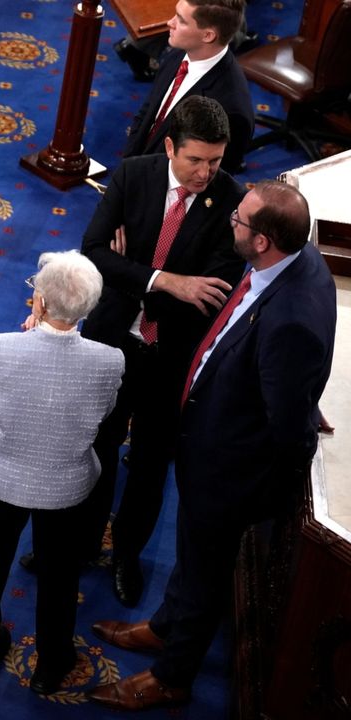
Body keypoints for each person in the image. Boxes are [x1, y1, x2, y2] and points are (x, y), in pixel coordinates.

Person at [89, 180, 336, 711]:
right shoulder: (296, 258)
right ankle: (165, 625)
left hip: (229, 471)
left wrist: (259, 483)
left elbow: (290, 428)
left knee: (205, 570)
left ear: (265, 240)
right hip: (211, 445)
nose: (231, 223)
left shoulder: (291, 315)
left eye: (240, 221)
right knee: (192, 558)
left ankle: (172, 676)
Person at [58, 95, 245, 610]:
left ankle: (126, 557)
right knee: (96, 446)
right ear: (169, 147)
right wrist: (168, 281)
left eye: (215, 160)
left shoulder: (233, 201)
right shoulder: (132, 175)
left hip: (172, 357)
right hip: (112, 341)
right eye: (195, 160)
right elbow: (92, 251)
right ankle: (80, 543)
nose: (207, 172)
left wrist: (133, 270)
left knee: (149, 465)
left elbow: (214, 291)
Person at [0, 251, 124, 696]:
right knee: (59, 577)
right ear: (89, 307)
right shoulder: (111, 361)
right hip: (66, 487)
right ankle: (51, 664)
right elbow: (103, 418)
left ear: (41, 303)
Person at [122, 0, 253, 174]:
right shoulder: (179, 53)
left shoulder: (231, 110)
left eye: (181, 20)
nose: (170, 22)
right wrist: (128, 168)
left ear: (208, 36)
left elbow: (209, 180)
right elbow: (147, 114)